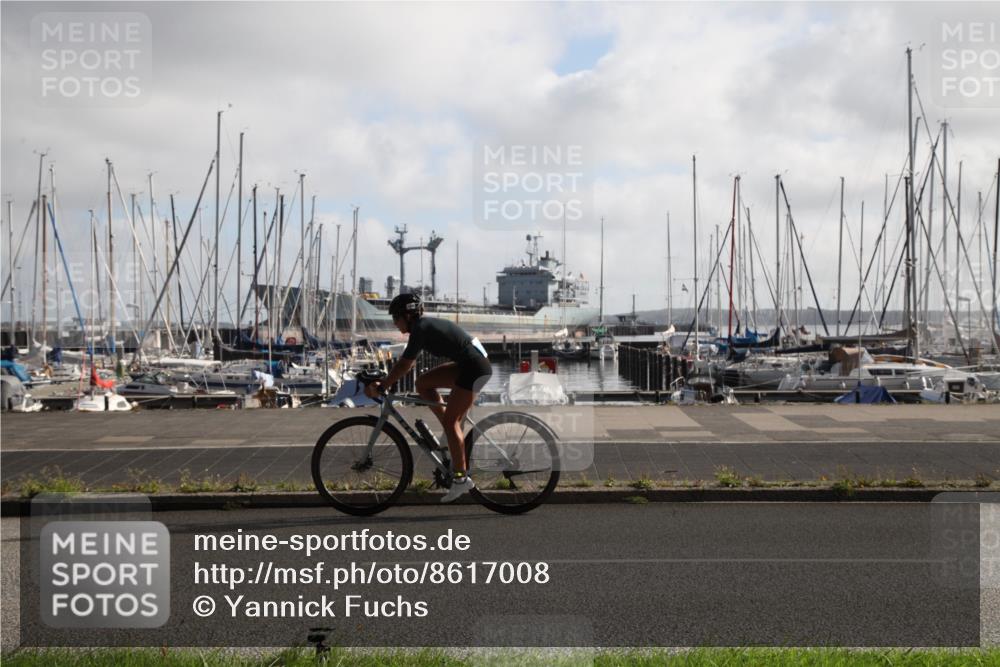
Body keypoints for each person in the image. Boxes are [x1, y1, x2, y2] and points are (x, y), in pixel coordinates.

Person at [365, 293, 492, 503]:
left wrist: (384, 385)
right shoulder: (421, 327)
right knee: (423, 383)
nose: (395, 323)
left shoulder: (421, 328)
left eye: (395, 318)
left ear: (407, 315)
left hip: (474, 368)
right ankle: (450, 430)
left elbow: (405, 364)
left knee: (452, 422)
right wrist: (388, 381)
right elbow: (409, 364)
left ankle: (461, 480)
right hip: (470, 363)